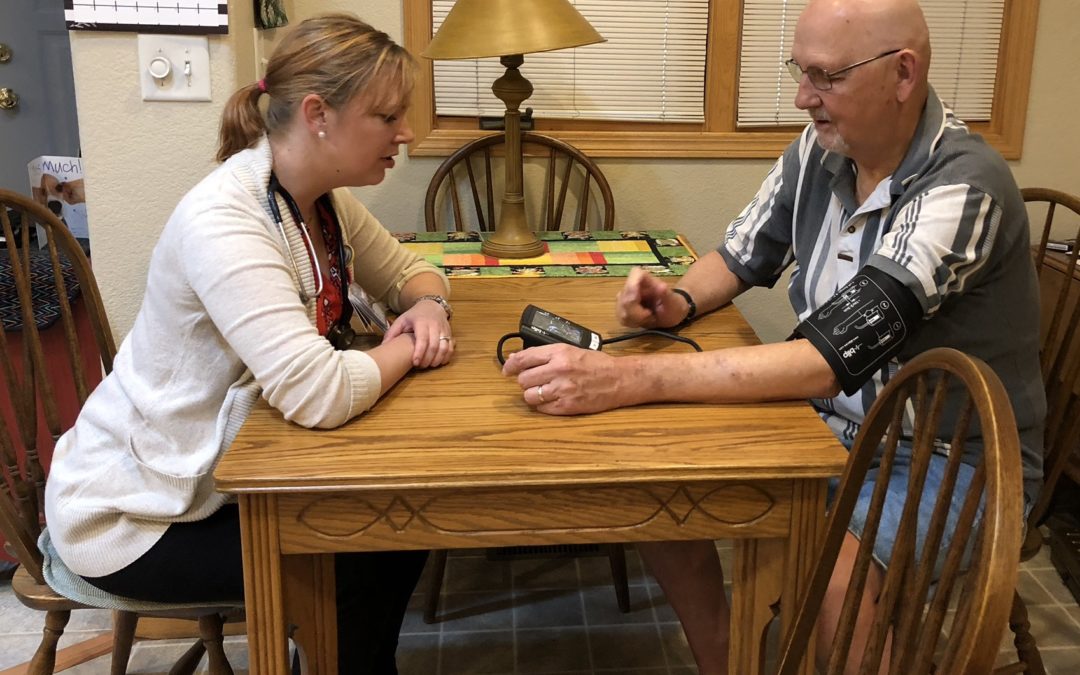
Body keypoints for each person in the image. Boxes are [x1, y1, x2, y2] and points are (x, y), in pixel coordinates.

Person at [501, 0, 1045, 672]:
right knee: (661, 488)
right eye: (800, 70)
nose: (802, 97)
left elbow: (827, 358)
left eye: (826, 76)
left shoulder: (963, 187)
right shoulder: (821, 151)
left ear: (903, 74)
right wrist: (676, 301)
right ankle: (727, 662)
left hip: (950, 451)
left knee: (835, 580)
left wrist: (625, 378)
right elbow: (739, 255)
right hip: (837, 425)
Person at [43, 14, 454, 674]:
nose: (405, 133)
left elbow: (409, 271)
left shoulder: (318, 198)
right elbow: (316, 391)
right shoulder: (226, 219)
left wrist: (428, 307)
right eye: (388, 116)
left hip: (225, 481)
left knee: (395, 523)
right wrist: (409, 346)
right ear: (319, 114)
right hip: (140, 513)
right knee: (378, 536)